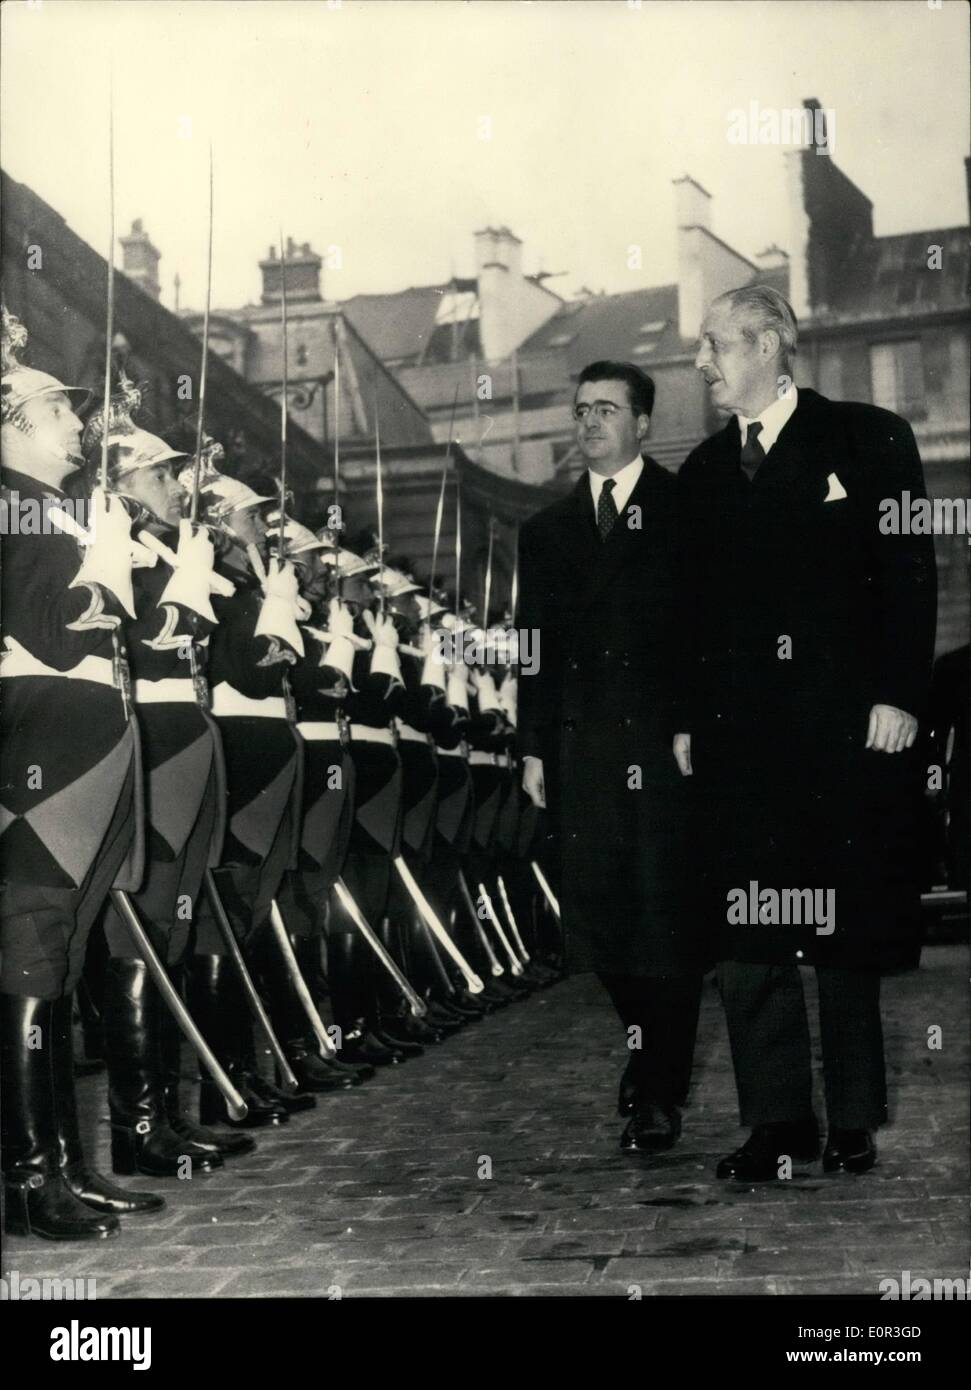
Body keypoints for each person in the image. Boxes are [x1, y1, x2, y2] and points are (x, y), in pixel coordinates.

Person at [676, 284, 937, 1180]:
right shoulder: (704, 473)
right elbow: (688, 619)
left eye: (713, 346)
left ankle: (853, 1116)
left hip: (843, 731)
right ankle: (775, 1122)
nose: (700, 364)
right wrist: (685, 724)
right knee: (749, 929)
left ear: (768, 345)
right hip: (740, 745)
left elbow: (908, 573)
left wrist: (900, 695)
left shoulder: (868, 439)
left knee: (844, 923)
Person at [517, 360, 708, 1153]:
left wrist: (696, 722)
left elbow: (713, 631)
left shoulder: (685, 511)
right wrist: (529, 745)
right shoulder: (546, 531)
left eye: (606, 410)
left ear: (642, 425)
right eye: (580, 410)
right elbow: (531, 649)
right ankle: (645, 1048)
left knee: (662, 916)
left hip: (663, 743)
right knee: (597, 916)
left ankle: (658, 1089)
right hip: (577, 747)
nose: (589, 422)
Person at [0, 309, 158, 1239]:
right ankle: (27, 1177)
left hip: (87, 741)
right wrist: (104, 553)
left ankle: (63, 1163)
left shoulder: (49, 507)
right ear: (13, 423)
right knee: (29, 951)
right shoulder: (12, 505)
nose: (78, 426)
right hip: (44, 743)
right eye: (61, 411)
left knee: (58, 960)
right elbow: (56, 633)